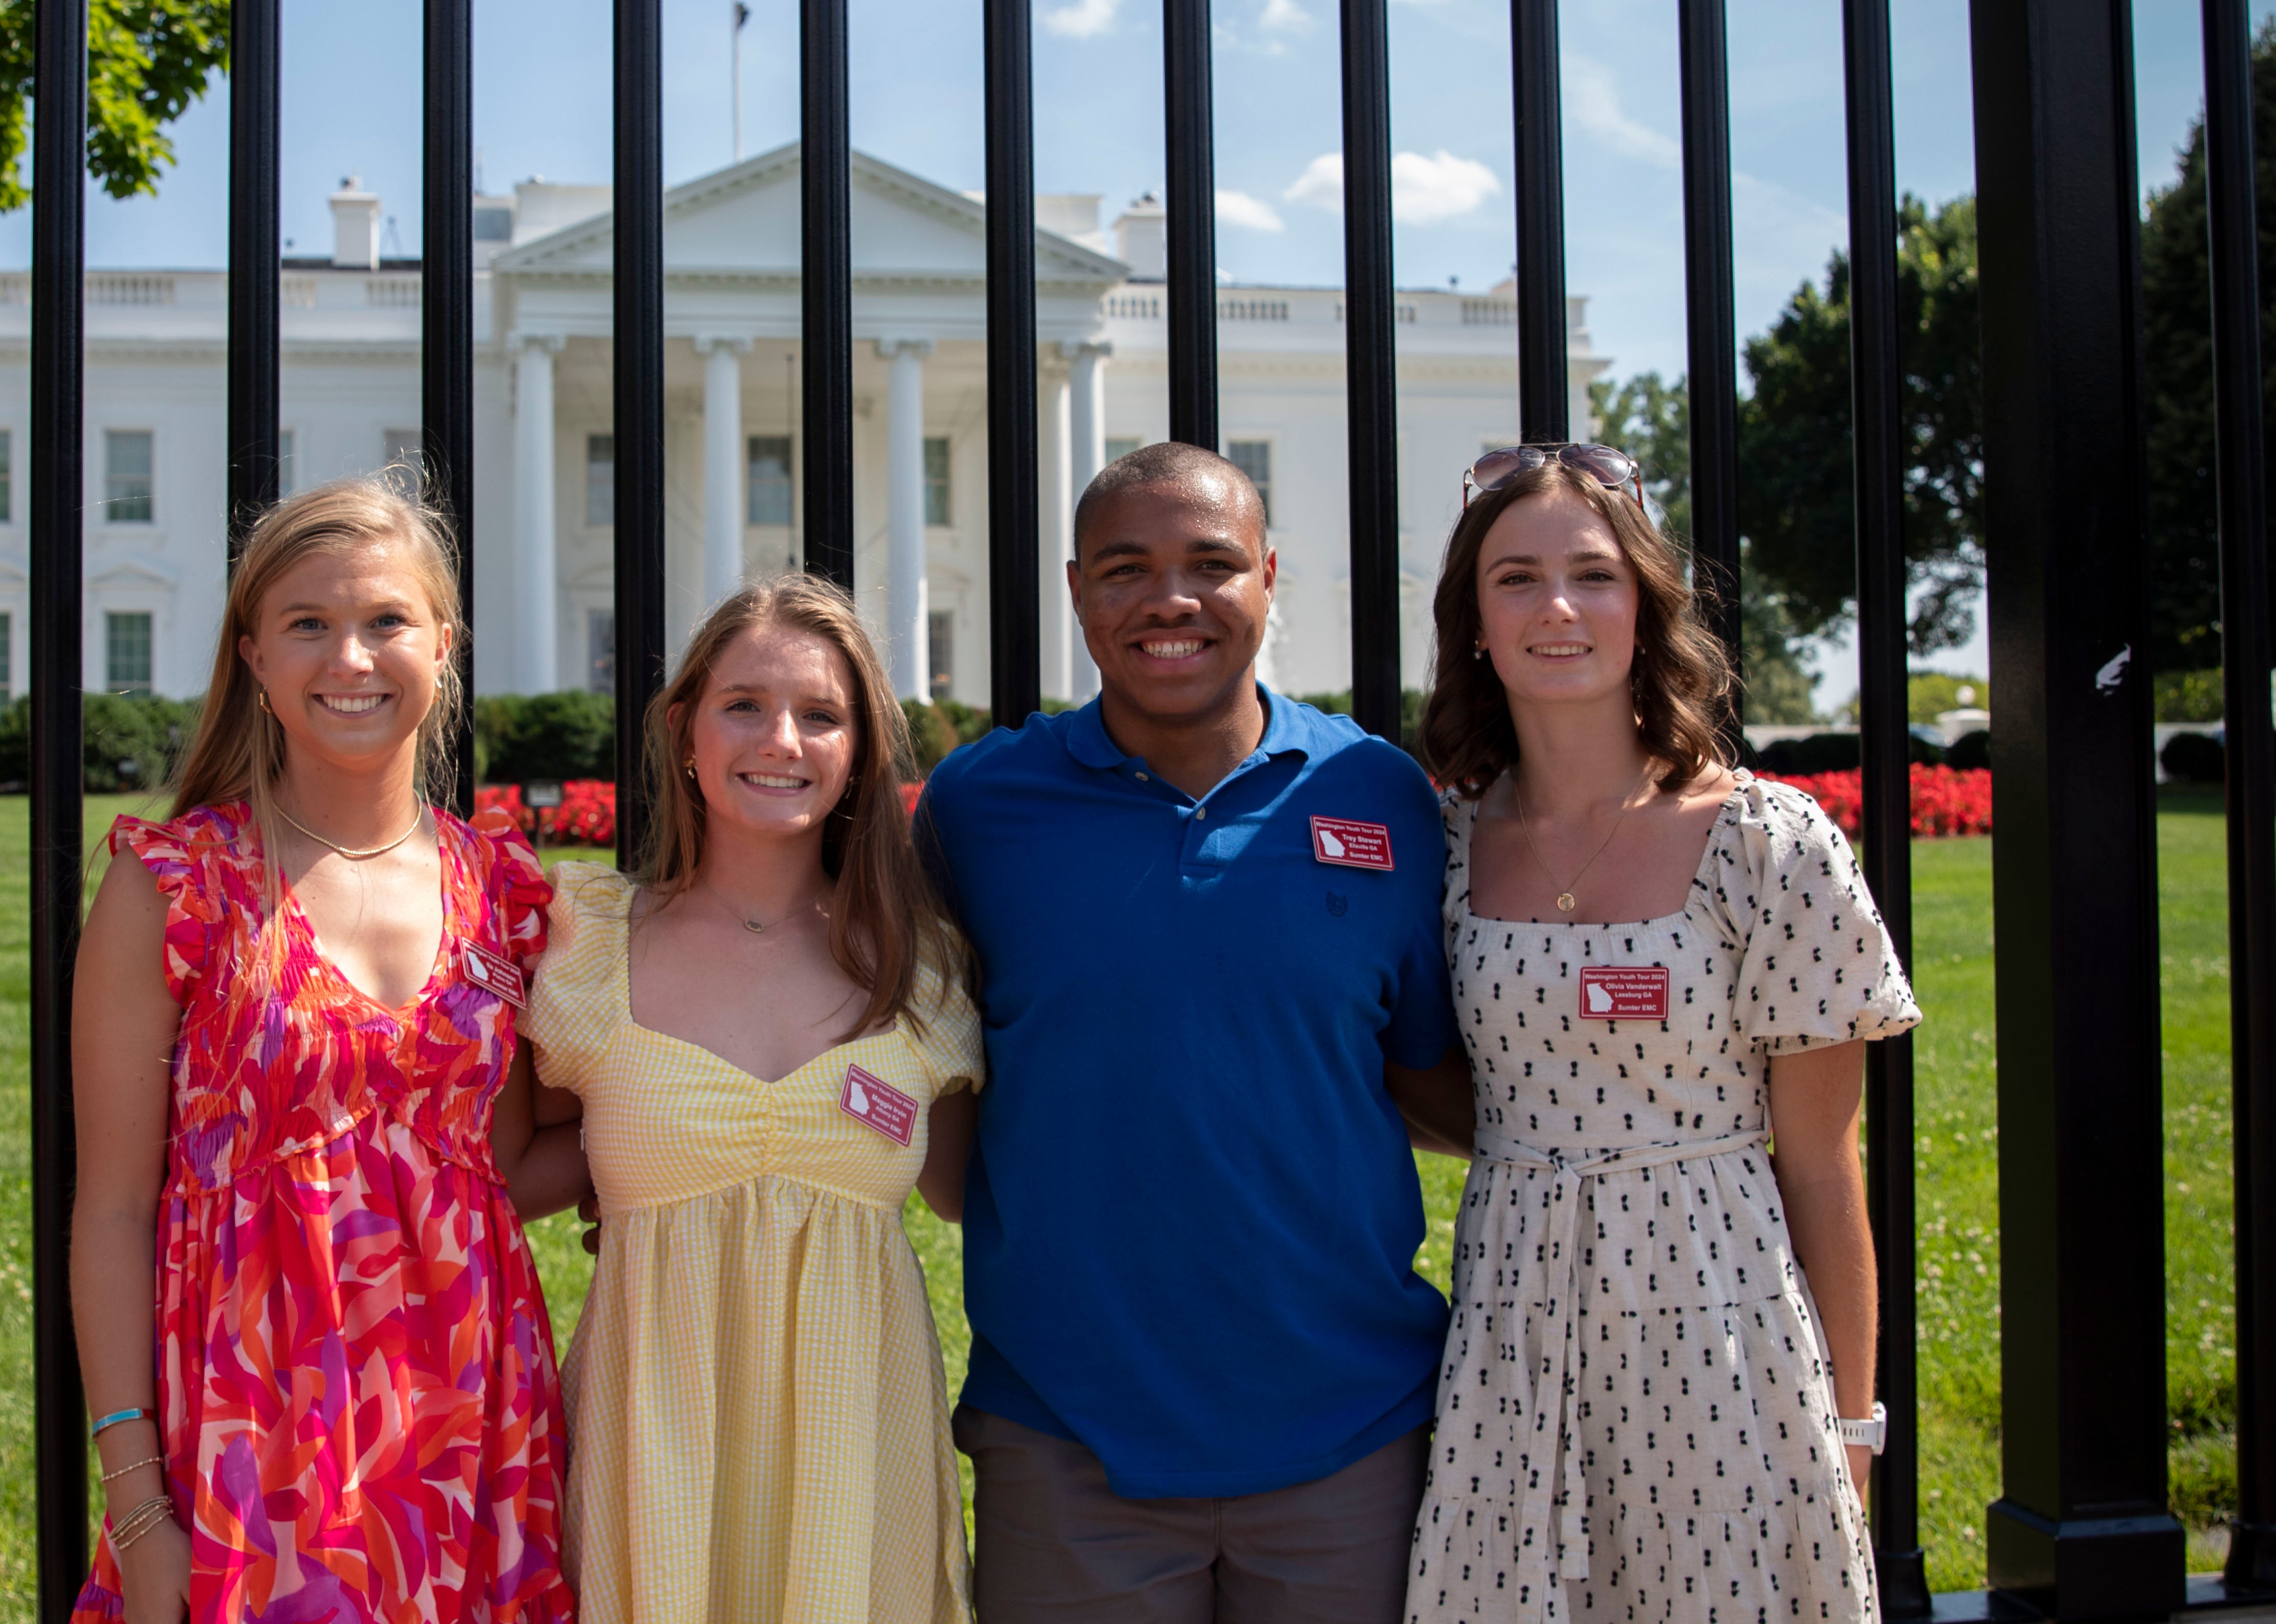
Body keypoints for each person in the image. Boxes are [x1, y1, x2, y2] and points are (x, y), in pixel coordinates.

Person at [916, 441, 1474, 1624]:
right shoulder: (978, 807)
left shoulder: (1379, 795)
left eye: (1212, 564)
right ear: (1076, 591)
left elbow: (1437, 1081)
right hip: (1066, 1430)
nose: (1171, 599)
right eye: (1127, 568)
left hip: (1351, 1423)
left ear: (1269, 578)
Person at [1405, 444, 1913, 1623]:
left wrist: (1851, 1426)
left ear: (1647, 606)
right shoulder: (1440, 843)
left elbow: (1824, 1166)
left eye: (1594, 575)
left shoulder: (1767, 843)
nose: (1560, 609)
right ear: (1475, 622)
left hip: (1722, 1327)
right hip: (1513, 1328)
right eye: (1517, 579)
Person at [68, 479, 576, 1624]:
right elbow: (111, 1213)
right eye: (309, 624)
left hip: (472, 1439)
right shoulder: (174, 888)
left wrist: (682, 1133)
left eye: (388, 621)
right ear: (253, 655)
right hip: (254, 1441)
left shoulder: (501, 892)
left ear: (443, 646)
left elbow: (494, 1172)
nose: (352, 656)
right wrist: (139, 1506)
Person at [514, 574, 983, 1624]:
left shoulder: (925, 970)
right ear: (685, 729)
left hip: (857, 1450)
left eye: (821, 714)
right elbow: (501, 1177)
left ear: (858, 748)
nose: (782, 738)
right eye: (745, 705)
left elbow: (967, 1192)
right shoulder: (588, 945)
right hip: (656, 1449)